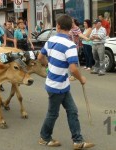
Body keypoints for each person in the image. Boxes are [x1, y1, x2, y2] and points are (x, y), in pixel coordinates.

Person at [37, 14, 95, 150]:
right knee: (53, 113)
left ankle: (78, 141)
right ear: (70, 28)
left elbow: (40, 57)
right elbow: (73, 69)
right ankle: (45, 137)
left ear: (57, 26)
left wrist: (48, 65)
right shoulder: (70, 45)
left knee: (72, 110)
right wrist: (82, 79)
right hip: (57, 85)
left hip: (59, 84)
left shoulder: (50, 40)